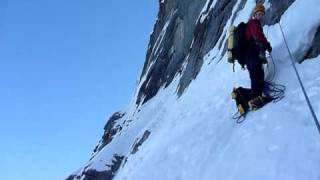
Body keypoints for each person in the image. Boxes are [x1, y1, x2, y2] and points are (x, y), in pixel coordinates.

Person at [245, 3, 272, 109]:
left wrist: (265, 45)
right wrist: (267, 45)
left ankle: (254, 95)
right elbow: (258, 36)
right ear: (255, 14)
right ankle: (256, 99)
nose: (260, 16)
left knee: (256, 74)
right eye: (259, 14)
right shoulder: (253, 23)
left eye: (262, 14)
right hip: (252, 54)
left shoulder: (253, 23)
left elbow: (258, 36)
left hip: (250, 55)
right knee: (257, 74)